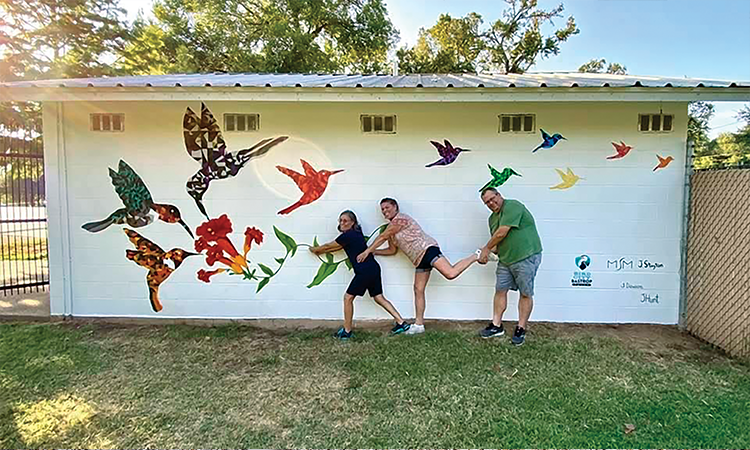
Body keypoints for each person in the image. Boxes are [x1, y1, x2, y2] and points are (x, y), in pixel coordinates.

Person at [357, 198, 480, 334]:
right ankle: (419, 325)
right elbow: (392, 250)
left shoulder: (400, 219)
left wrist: (367, 251)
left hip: (427, 249)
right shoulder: (391, 230)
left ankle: (476, 255)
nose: (385, 211)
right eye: (383, 210)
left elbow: (383, 237)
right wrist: (375, 252)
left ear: (395, 207)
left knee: (450, 273)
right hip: (418, 259)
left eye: (387, 207)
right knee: (418, 289)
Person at [310, 210, 411, 340]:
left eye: (345, 220)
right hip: (373, 268)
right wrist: (321, 251)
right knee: (378, 297)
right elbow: (336, 247)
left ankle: (346, 331)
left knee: (348, 298)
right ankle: (401, 323)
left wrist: (315, 249)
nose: (342, 223)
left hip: (365, 271)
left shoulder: (349, 235)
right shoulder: (354, 235)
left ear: (353, 223)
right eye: (340, 221)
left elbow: (331, 245)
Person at [477, 188, 543, 346]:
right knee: (500, 290)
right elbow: (497, 243)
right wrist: (481, 254)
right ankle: (496, 325)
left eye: (493, 199)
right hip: (506, 260)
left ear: (499, 195)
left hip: (526, 256)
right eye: (487, 202)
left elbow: (502, 233)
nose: (491, 203)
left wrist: (486, 249)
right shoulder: (492, 219)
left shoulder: (513, 206)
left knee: (525, 293)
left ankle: (521, 328)